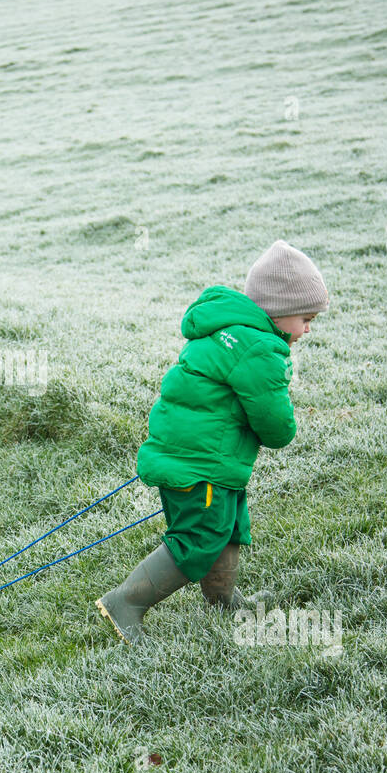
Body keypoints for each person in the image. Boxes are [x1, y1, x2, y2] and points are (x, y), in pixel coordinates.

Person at [96, 239, 329, 644]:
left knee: (226, 526)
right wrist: (286, 429)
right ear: (279, 310)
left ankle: (222, 597)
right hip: (201, 464)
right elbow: (274, 423)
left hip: (201, 458)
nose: (308, 328)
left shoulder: (228, 329)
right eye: (306, 318)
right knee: (199, 537)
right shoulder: (260, 349)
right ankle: (126, 602)